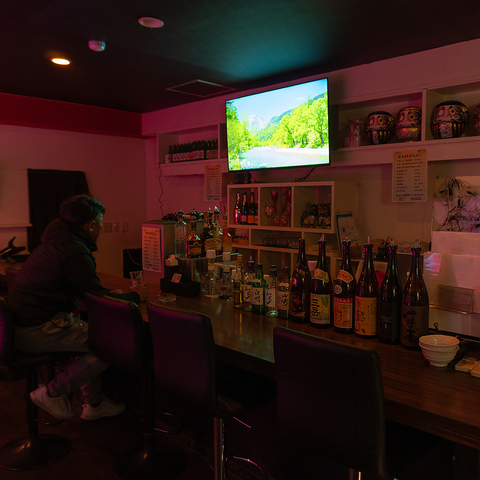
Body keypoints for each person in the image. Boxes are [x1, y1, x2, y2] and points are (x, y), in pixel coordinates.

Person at [8, 194, 148, 421]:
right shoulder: (74, 251)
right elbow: (95, 297)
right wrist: (135, 295)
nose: (101, 228)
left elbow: (84, 288)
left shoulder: (55, 241)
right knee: (112, 344)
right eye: (101, 223)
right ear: (91, 225)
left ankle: (94, 403)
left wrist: (103, 292)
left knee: (86, 336)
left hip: (19, 326)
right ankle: (51, 393)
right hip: (37, 329)